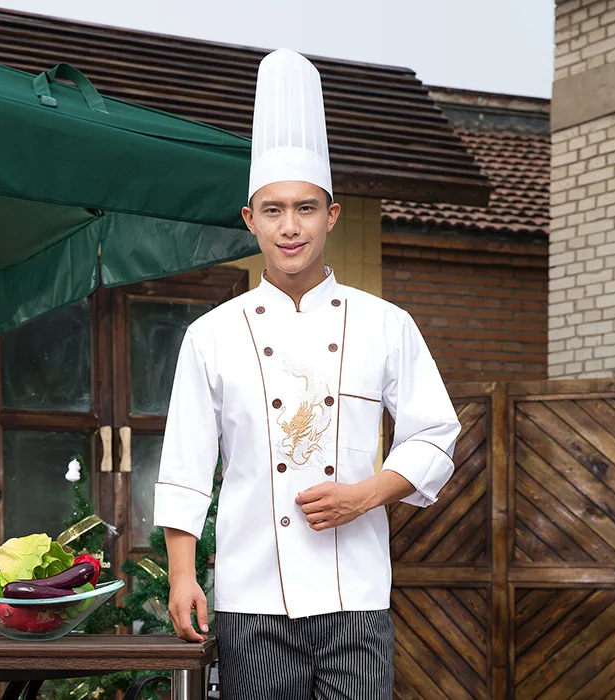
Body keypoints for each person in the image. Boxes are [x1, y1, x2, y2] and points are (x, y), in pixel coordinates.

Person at [154, 48, 461, 700]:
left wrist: (367, 494)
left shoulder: (386, 324)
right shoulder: (211, 336)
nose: (289, 227)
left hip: (355, 599)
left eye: (304, 208)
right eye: (272, 210)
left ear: (331, 215)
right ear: (250, 221)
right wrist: (182, 575)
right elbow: (184, 464)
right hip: (251, 602)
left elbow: (434, 435)